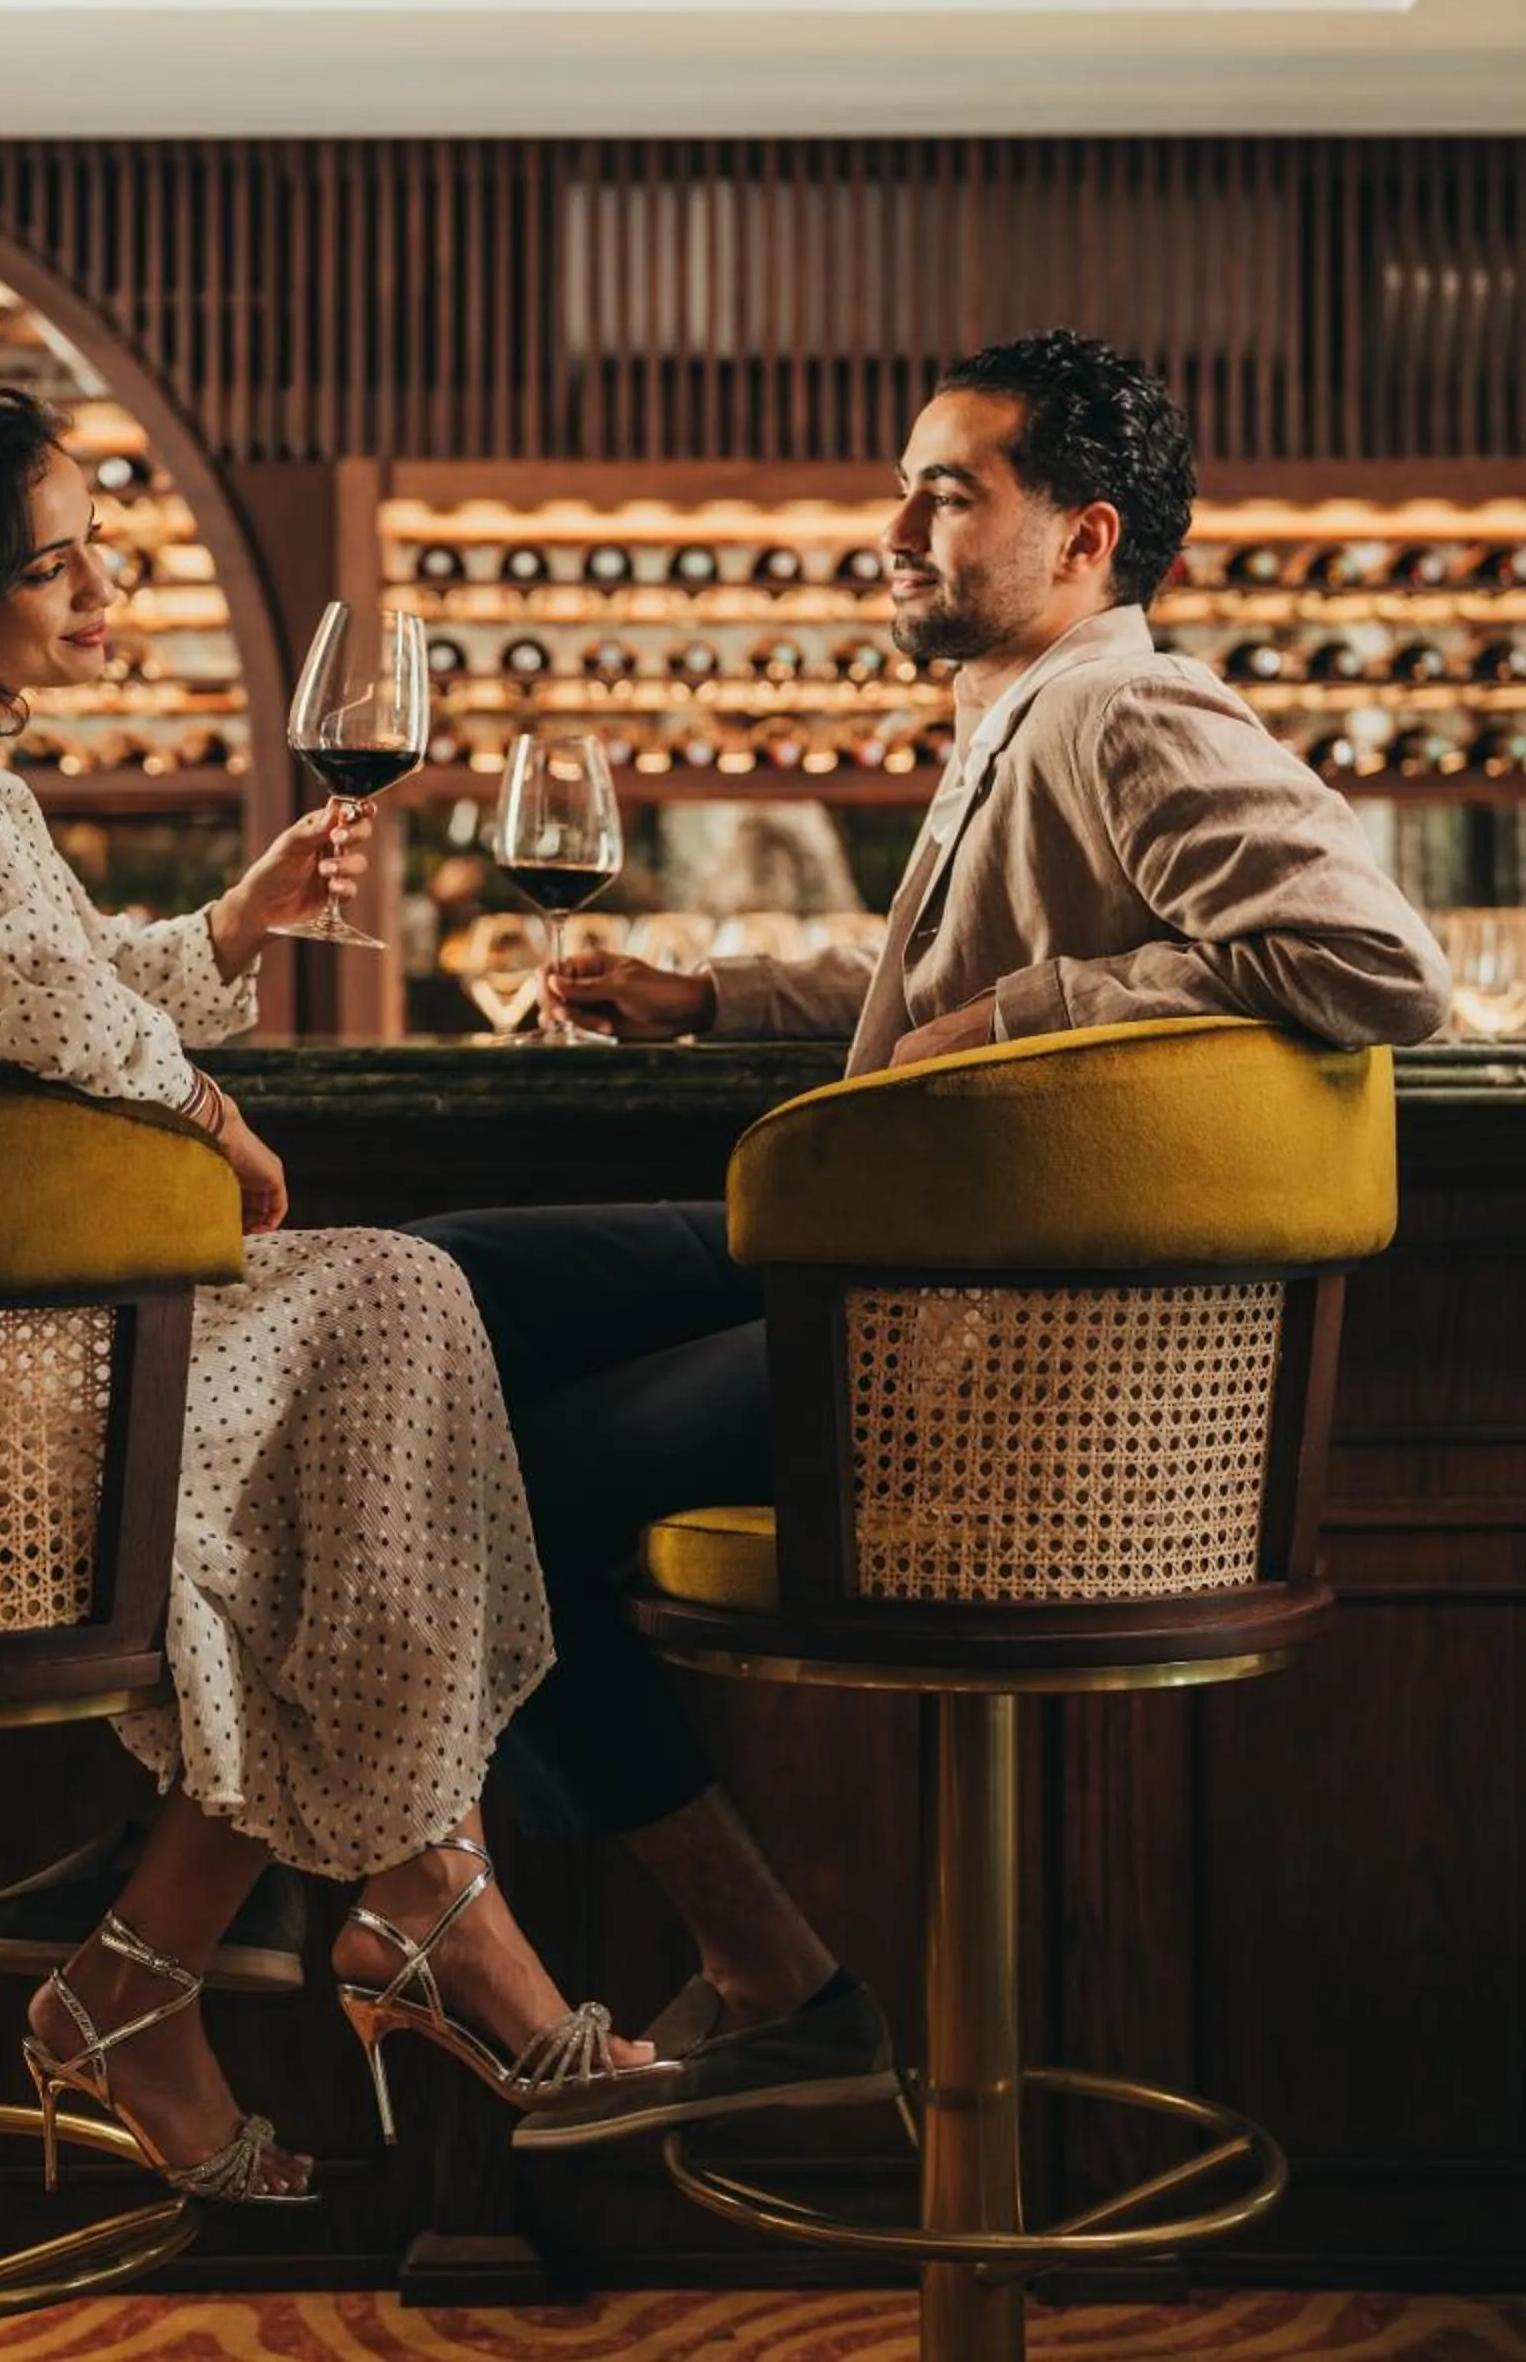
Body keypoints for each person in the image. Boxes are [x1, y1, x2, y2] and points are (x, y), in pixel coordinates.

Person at [412, 329, 1454, 2150]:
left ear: (1084, 535)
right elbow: (940, 993)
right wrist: (714, 990)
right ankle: (299, 1840)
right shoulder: (1022, 712)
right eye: (902, 484)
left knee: (467, 1488)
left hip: (983, 1347)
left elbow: (1384, 967)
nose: (891, 523)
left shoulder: (1127, 710)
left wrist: (1038, 1013)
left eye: (947, 491)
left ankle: (768, 1980)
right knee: (423, 1293)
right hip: (900, 1271)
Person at [0, 380, 655, 2207]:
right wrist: (209, 1112)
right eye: (63, 561)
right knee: (381, 1330)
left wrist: (232, 933)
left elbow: (45, 957)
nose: (103, 591)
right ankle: (379, 1916)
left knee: (361, 1370)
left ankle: (184, 1963)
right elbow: (30, 998)